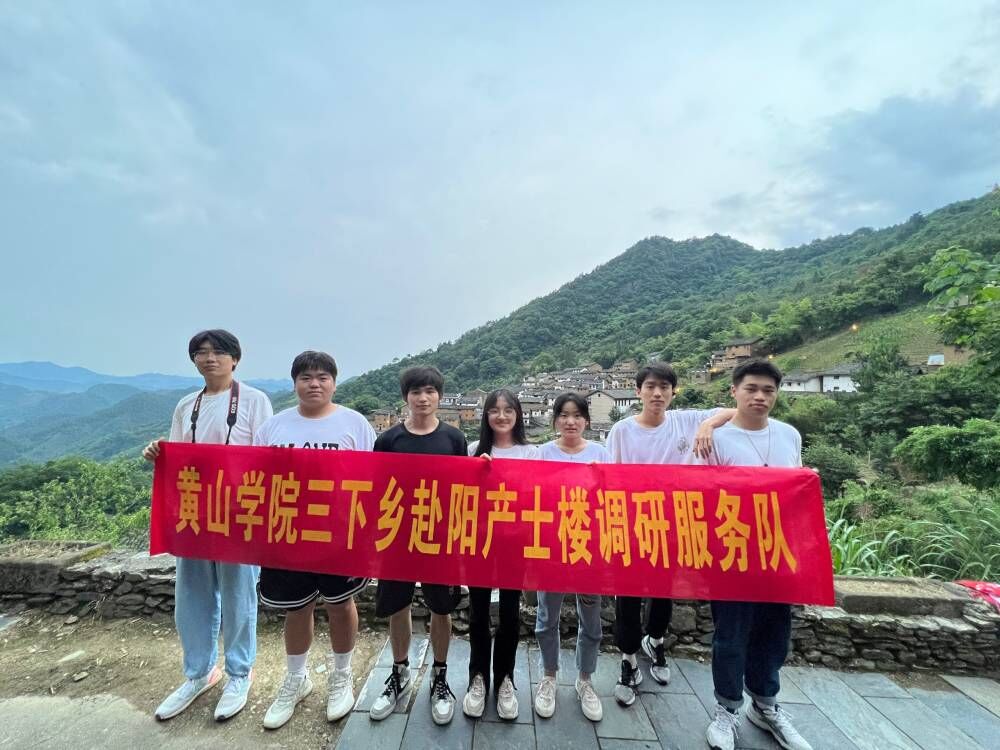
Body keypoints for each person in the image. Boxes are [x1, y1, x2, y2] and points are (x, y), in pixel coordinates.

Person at [143, 329, 273, 722]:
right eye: (201, 352)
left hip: (239, 515)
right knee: (191, 598)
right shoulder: (187, 405)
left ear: (235, 359)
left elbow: (266, 457)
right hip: (195, 514)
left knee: (238, 596)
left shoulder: (255, 400)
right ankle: (198, 673)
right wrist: (158, 452)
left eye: (218, 352)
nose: (209, 358)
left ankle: (239, 673)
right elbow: (178, 457)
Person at [254, 351, 376, 730]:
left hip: (340, 534)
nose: (314, 384)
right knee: (297, 608)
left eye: (323, 377)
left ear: (334, 383)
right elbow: (253, 478)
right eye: (306, 377)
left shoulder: (355, 424)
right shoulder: (273, 427)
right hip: (288, 534)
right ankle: (297, 678)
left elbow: (374, 478)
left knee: (341, 604)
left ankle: (342, 674)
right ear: (294, 383)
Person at [696, 360, 812, 750]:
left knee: (774, 634)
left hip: (777, 553)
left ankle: (765, 705)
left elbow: (794, 492)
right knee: (730, 636)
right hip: (730, 554)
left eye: (768, 390)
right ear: (734, 392)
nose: (760, 396)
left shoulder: (789, 435)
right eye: (751, 389)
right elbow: (699, 496)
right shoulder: (714, 439)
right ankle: (727, 709)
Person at [606, 362, 734, 706]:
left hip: (673, 526)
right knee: (628, 597)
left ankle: (656, 641)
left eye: (664, 387)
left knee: (664, 592)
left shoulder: (687, 421)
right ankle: (628, 659)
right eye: (650, 386)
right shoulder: (621, 431)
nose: (657, 393)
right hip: (632, 527)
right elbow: (610, 478)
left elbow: (733, 411)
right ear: (638, 391)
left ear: (673, 392)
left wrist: (708, 424)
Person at [369, 366, 468, 726]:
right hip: (397, 536)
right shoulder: (388, 440)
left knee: (441, 609)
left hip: (439, 538)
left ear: (439, 396)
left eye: (429, 391)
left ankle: (440, 677)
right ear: (405, 398)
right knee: (398, 606)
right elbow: (375, 489)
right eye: (415, 392)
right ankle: (399, 673)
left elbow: (465, 489)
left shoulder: (454, 439)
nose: (423, 398)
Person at [463, 389, 538, 721]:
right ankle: (477, 677)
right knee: (478, 613)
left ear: (518, 414)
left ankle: (505, 678)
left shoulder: (532, 452)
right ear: (486, 416)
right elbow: (461, 496)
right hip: (479, 543)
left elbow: (543, 493)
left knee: (510, 614)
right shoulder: (472, 450)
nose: (502, 416)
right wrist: (476, 473)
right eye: (494, 410)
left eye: (508, 410)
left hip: (515, 544)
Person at [533, 392, 607, 723]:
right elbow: (528, 492)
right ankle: (549, 676)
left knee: (591, 617)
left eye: (577, 415)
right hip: (551, 547)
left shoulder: (601, 454)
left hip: (589, 549)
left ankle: (585, 679)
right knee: (546, 616)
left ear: (586, 421)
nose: (570, 421)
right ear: (555, 421)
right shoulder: (543, 453)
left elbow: (615, 499)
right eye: (564, 415)